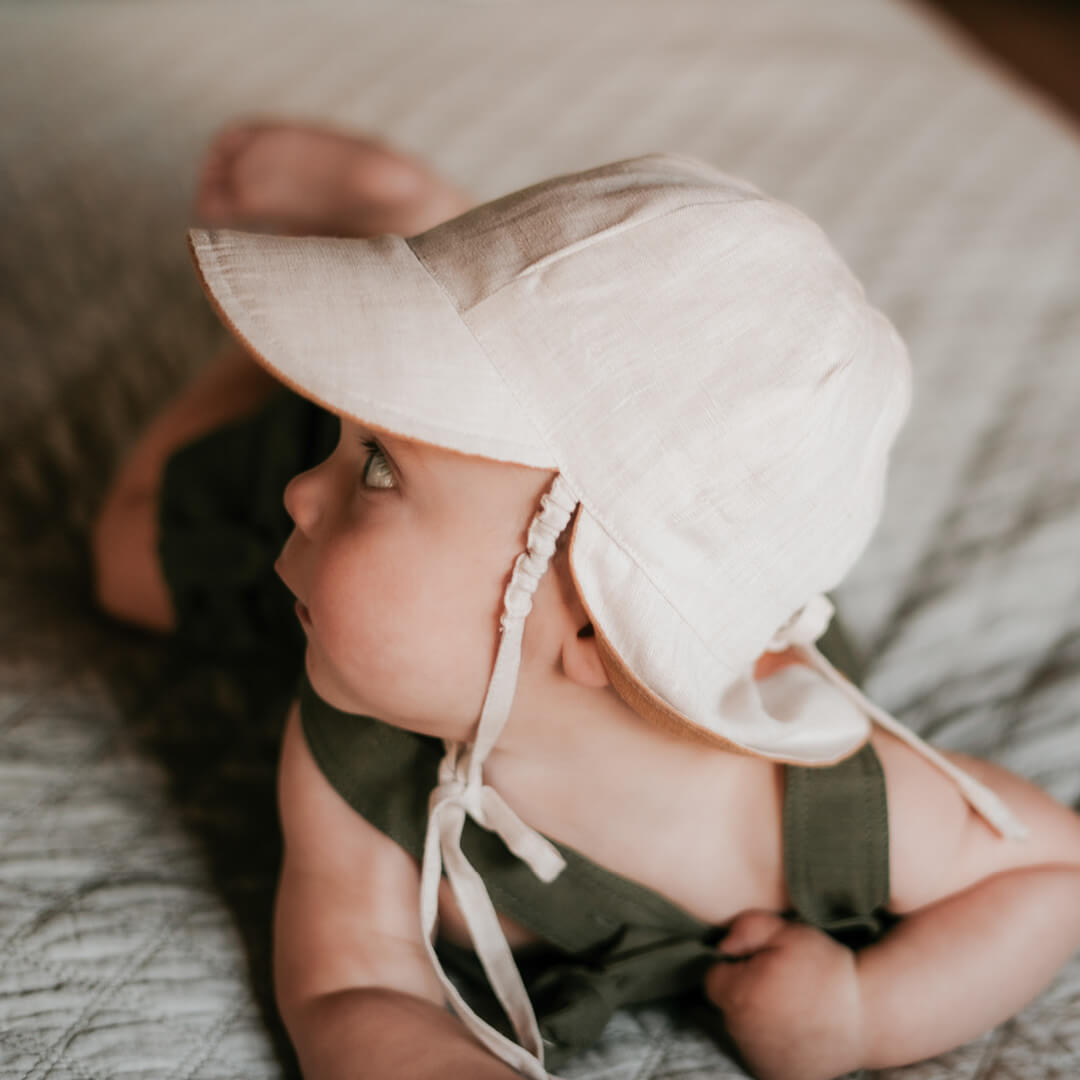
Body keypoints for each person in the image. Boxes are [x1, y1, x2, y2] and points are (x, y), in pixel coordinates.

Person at [93, 123, 1080, 1080]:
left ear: (595, 629)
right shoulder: (352, 748)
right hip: (408, 572)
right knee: (126, 561)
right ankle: (352, 318)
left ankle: (428, 267)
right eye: (351, 450)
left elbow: (1052, 871)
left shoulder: (820, 808)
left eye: (377, 469)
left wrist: (865, 1015)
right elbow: (351, 985)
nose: (301, 494)